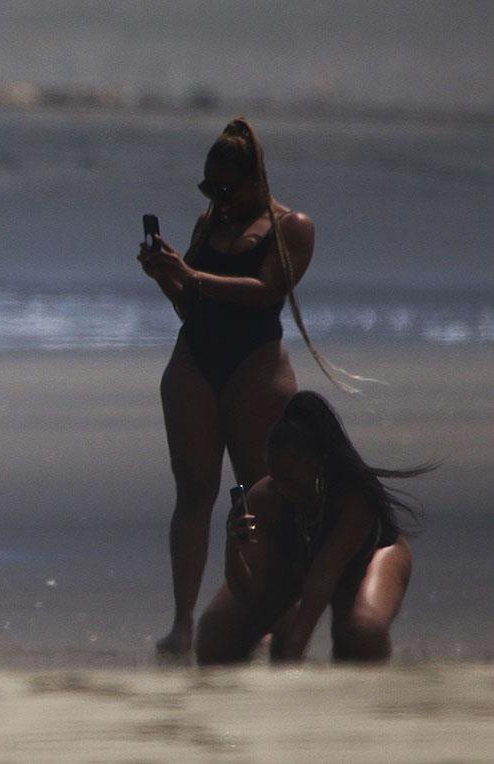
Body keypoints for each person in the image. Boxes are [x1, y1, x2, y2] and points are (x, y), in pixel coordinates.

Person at [138, 117, 324, 658]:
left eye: (225, 187)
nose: (218, 198)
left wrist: (193, 277)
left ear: (255, 178)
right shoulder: (207, 224)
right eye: (208, 188)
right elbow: (191, 305)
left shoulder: (293, 226)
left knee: (258, 494)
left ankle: (268, 613)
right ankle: (182, 624)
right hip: (195, 359)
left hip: (256, 367)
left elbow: (266, 291)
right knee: (193, 496)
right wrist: (168, 277)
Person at [195, 391, 433, 664]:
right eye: (275, 476)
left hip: (365, 560)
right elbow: (249, 593)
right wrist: (232, 550)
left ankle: (299, 634)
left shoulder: (353, 500)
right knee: (215, 638)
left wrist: (293, 655)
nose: (282, 488)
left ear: (317, 465)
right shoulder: (266, 497)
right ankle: (284, 622)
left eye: (291, 479)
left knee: (361, 635)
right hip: (299, 565)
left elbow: (323, 577)